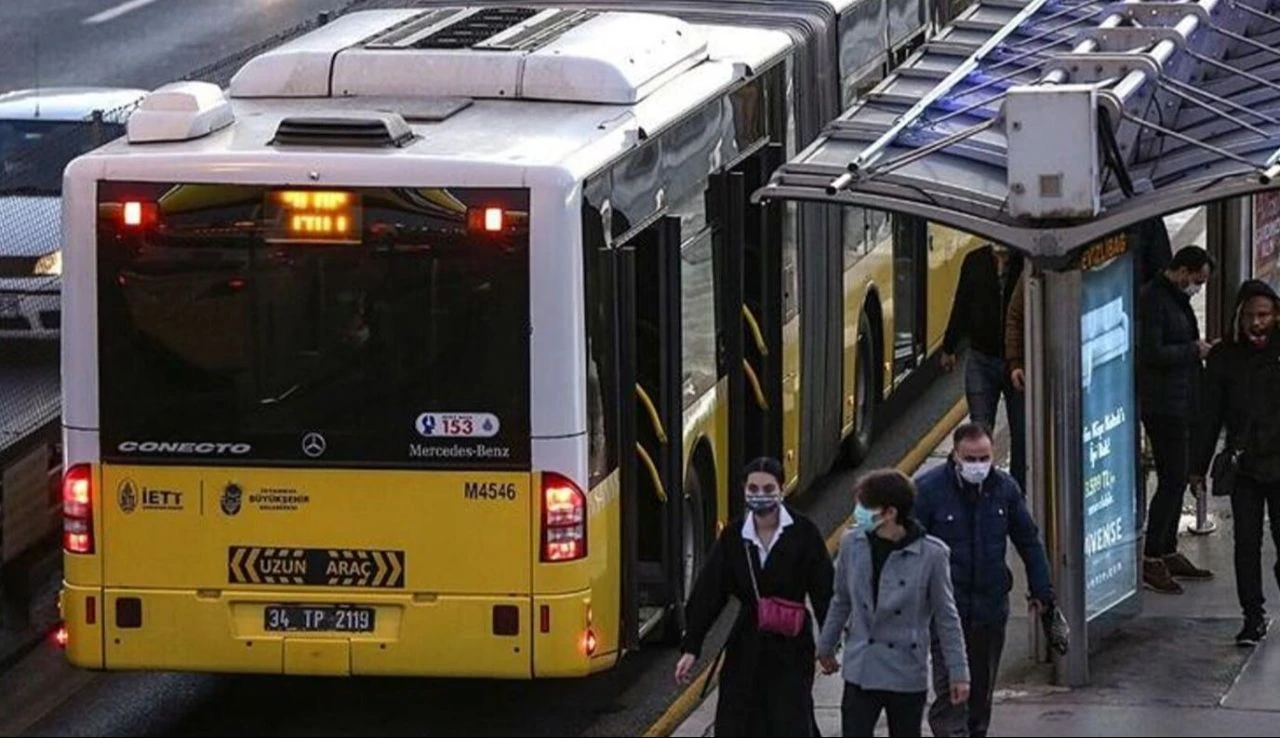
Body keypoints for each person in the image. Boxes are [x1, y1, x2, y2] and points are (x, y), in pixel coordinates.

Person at [675, 457, 835, 736]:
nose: (760, 495)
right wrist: (692, 647)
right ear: (744, 489)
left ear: (781, 489)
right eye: (754, 488)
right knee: (738, 717)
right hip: (746, 643)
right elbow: (709, 593)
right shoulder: (734, 536)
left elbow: (824, 591)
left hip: (792, 645)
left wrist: (829, 643)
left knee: (790, 718)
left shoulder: (804, 532)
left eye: (768, 488)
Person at [914, 422, 1055, 738]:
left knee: (981, 692)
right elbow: (910, 548)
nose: (978, 466)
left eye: (984, 458)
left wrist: (1041, 590)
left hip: (990, 608)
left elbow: (1028, 540)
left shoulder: (1004, 489)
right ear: (954, 456)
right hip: (947, 610)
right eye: (970, 458)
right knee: (951, 687)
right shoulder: (928, 491)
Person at [818, 469, 970, 738]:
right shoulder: (852, 544)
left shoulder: (932, 555)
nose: (859, 513)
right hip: (861, 668)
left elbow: (947, 619)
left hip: (906, 671)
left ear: (889, 513)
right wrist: (826, 645)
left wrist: (958, 673)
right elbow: (841, 599)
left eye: (865, 507)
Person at [1192, 279, 1280, 647]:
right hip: (1246, 464)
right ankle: (1253, 615)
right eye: (1250, 317)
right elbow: (1209, 415)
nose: (1257, 324)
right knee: (1246, 543)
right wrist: (1197, 466)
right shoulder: (1224, 358)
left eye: (1263, 316)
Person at [1138, 245, 1216, 594]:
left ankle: (1167, 549)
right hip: (1163, 405)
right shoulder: (1155, 299)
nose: (1197, 287)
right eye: (1196, 280)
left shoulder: (1173, 298)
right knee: (1171, 479)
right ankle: (1152, 555)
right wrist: (1192, 351)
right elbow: (1151, 351)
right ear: (1182, 271)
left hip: (1179, 400)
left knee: (1177, 477)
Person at [941, 243, 1027, 492]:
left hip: (1018, 363)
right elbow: (962, 303)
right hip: (981, 357)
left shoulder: (1026, 261)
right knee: (979, 428)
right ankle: (980, 489)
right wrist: (950, 346)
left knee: (1021, 432)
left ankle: (1017, 492)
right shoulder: (974, 261)